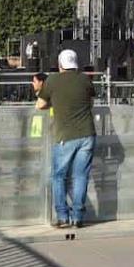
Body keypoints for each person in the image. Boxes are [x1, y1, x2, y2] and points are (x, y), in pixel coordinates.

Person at [36, 50, 96, 229]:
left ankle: (63, 216)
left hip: (64, 136)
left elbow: (40, 105)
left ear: (60, 64)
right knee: (80, 176)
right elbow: (91, 103)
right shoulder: (85, 79)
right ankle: (78, 217)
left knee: (59, 176)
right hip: (87, 134)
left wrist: (55, 102)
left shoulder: (52, 80)